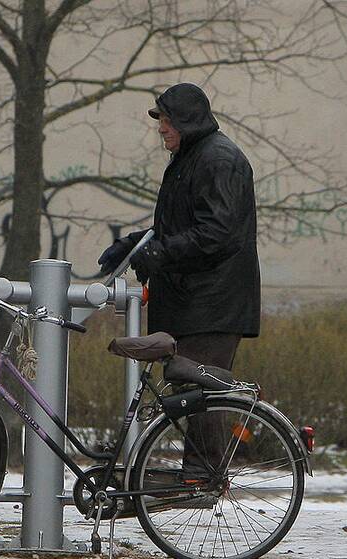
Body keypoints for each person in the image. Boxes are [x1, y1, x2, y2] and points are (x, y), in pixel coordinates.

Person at [98, 82, 261, 480]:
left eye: (167, 120)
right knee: (191, 394)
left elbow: (218, 233)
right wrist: (135, 244)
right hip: (193, 300)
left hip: (212, 304)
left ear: (187, 121)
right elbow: (175, 227)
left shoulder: (218, 160)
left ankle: (202, 480)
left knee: (202, 396)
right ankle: (194, 478)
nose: (161, 129)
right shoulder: (192, 158)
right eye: (160, 120)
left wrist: (160, 253)